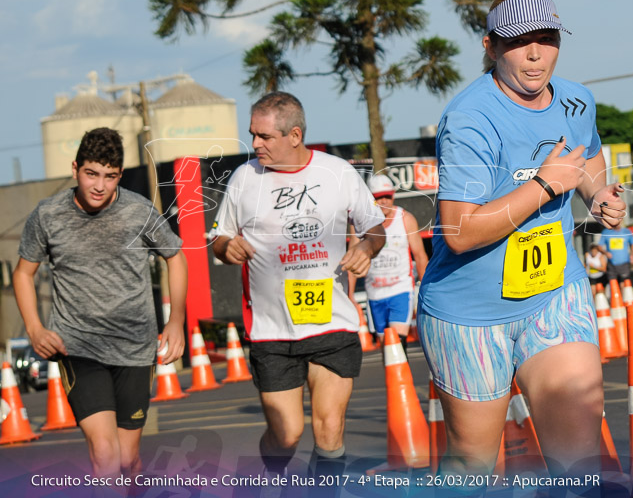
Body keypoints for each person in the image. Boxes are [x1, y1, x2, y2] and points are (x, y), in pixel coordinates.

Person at [416, 0, 626, 477]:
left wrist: (597, 196)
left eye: (547, 38)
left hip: (554, 293)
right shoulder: (471, 119)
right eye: (517, 42)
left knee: (578, 449)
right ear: (490, 47)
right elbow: (459, 231)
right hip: (470, 314)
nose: (535, 55)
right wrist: (543, 186)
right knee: (473, 465)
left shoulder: (576, 99)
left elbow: (587, 155)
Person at [211, 92, 386, 480]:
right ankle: (271, 479)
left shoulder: (337, 173)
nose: (254, 144)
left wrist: (366, 247)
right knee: (287, 435)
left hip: (333, 322)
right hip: (273, 331)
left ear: (294, 135)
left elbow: (375, 229)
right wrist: (228, 246)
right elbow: (218, 238)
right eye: (252, 135)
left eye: (264, 137)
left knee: (328, 430)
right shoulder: (245, 178)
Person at [13, 127, 188, 481]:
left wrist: (175, 322)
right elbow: (22, 273)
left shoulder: (139, 211)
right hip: (78, 346)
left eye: (109, 177)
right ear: (76, 168)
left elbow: (176, 256)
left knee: (127, 460)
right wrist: (34, 328)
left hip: (135, 347)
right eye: (91, 174)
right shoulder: (48, 215)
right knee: (106, 456)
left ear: (119, 175)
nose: (99, 185)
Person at [354, 174, 429, 352]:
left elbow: (420, 255)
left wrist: (426, 291)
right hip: (374, 293)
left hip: (400, 290)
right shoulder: (360, 222)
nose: (384, 201)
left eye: (388, 196)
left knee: (397, 341)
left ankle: (403, 380)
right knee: (385, 346)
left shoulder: (405, 218)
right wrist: (350, 295)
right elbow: (353, 257)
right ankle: (393, 379)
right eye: (379, 197)